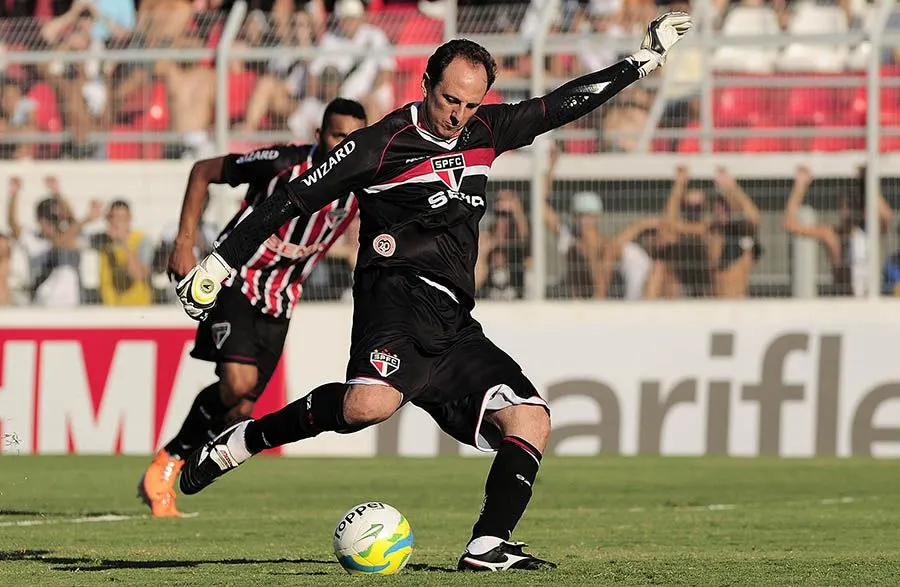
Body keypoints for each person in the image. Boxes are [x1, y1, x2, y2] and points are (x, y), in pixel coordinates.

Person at [174, 15, 692, 570]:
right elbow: (295, 198)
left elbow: (561, 103)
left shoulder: (486, 131)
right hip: (393, 296)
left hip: (452, 317)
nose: (459, 115)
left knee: (530, 418)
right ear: (425, 84)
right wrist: (221, 260)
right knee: (365, 408)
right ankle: (239, 443)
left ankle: (488, 543)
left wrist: (641, 61)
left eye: (471, 105)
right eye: (450, 100)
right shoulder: (377, 144)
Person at [137, 98, 368, 518]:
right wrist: (184, 242)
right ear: (319, 136)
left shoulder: (360, 186)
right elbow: (203, 170)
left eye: (354, 138)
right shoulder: (281, 163)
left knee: (241, 409)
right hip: (233, 280)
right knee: (239, 383)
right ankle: (168, 462)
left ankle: (171, 463)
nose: (344, 145)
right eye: (337, 135)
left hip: (281, 299)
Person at [784, 165, 894, 297]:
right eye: (843, 207)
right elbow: (790, 224)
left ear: (862, 210)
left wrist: (867, 182)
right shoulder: (831, 234)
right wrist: (800, 186)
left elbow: (887, 216)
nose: (846, 212)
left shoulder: (870, 233)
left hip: (868, 300)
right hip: (843, 300)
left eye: (851, 206)